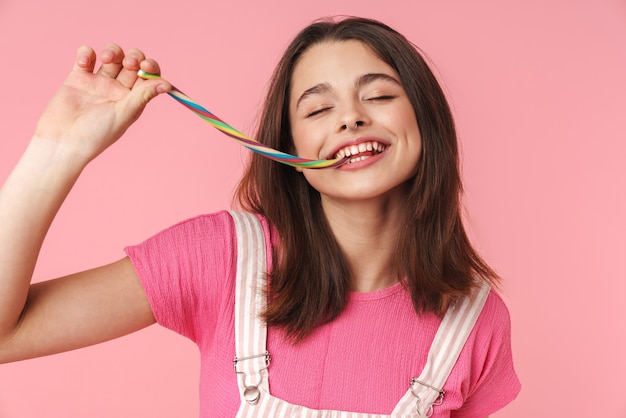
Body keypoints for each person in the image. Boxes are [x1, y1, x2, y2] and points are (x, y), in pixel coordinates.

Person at [0, 16, 520, 417]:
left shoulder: (476, 321)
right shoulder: (219, 258)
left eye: (379, 95)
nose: (351, 117)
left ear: (425, 121)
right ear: (289, 149)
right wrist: (56, 150)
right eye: (318, 110)